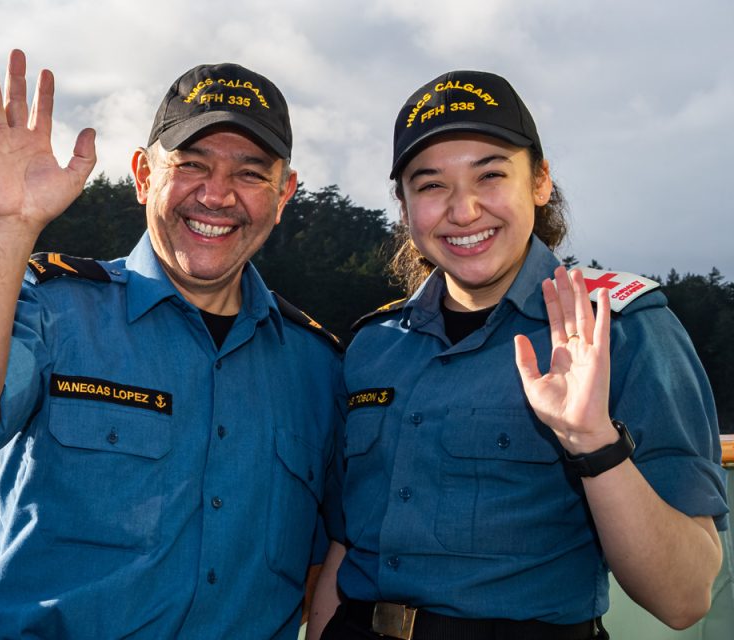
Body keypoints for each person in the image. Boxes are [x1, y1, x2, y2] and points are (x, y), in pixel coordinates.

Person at [0, 50, 344, 638]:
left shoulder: (318, 366)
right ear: (143, 175)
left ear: (284, 194)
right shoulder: (58, 308)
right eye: (191, 164)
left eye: (250, 173)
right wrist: (3, 227)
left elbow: (320, 564)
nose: (216, 196)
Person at [308, 70, 728, 640]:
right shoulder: (374, 346)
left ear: (540, 182)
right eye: (430, 185)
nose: (464, 210)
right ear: (404, 209)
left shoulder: (619, 330)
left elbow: (684, 598)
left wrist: (593, 442)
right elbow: (345, 547)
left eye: (491, 175)